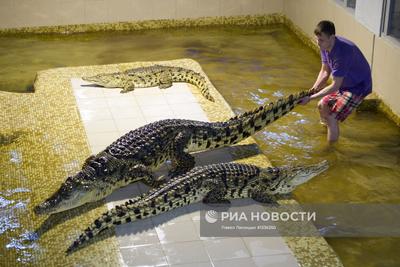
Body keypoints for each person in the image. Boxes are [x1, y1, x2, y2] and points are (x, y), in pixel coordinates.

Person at [300, 20, 372, 142]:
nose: (318, 43)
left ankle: (330, 150)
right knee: (322, 105)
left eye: (321, 40)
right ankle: (329, 131)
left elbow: (334, 86)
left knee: (332, 117)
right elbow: (324, 72)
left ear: (332, 37)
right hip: (344, 84)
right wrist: (312, 90)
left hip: (358, 87)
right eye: (317, 39)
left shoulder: (342, 54)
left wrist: (310, 98)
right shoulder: (325, 45)